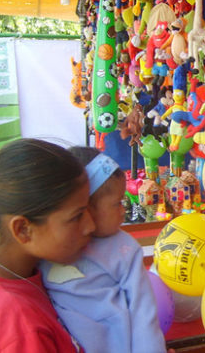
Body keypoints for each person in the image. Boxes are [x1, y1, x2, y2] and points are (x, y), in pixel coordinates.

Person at [39, 147, 167, 353]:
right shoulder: (53, 245)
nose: (123, 211)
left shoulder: (124, 249)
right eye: (117, 203)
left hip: (116, 343)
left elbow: (142, 311)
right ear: (84, 206)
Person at [0, 138, 94, 352]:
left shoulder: (34, 271)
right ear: (23, 229)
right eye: (77, 216)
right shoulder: (22, 326)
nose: (91, 226)